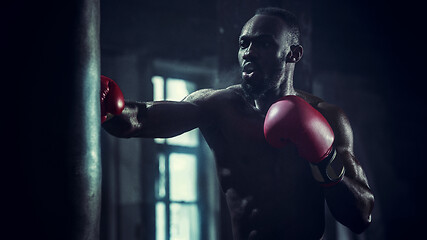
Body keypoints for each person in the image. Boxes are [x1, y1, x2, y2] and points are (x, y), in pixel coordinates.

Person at [101, 7, 374, 240]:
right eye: (244, 43)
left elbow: (361, 216)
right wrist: (110, 106)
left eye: (264, 43)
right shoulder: (217, 107)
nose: (249, 52)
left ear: (293, 54)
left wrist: (324, 160)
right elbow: (136, 121)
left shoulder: (327, 116)